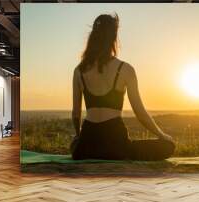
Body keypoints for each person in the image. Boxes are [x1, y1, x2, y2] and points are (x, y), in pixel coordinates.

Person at [70, 13, 175, 160]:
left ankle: (83, 147)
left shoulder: (79, 71)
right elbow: (140, 113)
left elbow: (76, 113)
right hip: (117, 145)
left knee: (74, 145)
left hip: (87, 145)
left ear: (93, 36)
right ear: (113, 38)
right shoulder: (125, 69)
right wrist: (162, 135)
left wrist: (78, 136)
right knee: (168, 146)